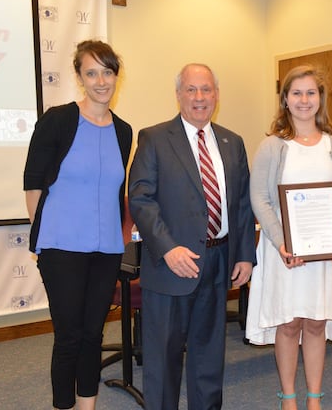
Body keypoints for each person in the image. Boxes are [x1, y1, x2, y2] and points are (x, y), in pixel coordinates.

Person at [128, 63, 256, 410]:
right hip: (173, 264)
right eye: (191, 89)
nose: (200, 97)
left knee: (209, 355)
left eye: (207, 90)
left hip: (218, 261)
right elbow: (140, 199)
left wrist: (244, 254)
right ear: (178, 95)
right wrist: (168, 250)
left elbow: (242, 203)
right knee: (164, 359)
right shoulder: (154, 138)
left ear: (216, 94)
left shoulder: (232, 141)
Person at [23, 40, 133, 410]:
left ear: (116, 75)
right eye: (91, 72)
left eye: (107, 71)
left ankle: (88, 406)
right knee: (69, 336)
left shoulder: (123, 130)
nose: (101, 80)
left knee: (92, 335)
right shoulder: (58, 119)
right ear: (79, 77)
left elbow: (115, 191)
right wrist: (44, 241)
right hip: (61, 247)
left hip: (105, 249)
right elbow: (34, 183)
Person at [245, 65, 332, 410]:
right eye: (297, 93)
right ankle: (289, 397)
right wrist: (282, 243)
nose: (304, 100)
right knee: (290, 322)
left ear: (320, 99)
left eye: (311, 93)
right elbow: (259, 199)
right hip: (285, 252)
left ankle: (314, 397)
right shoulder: (272, 146)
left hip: (325, 254)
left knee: (316, 321)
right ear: (285, 99)